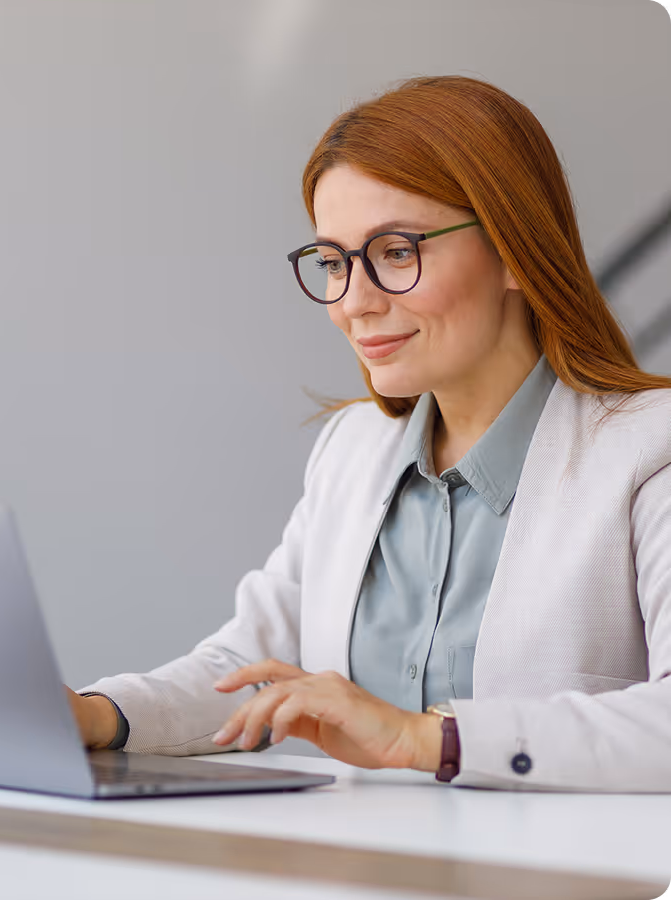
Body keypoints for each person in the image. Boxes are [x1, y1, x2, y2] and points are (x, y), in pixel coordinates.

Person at [68, 75, 671, 791]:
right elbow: (247, 668)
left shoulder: (647, 452)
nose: (353, 303)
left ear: (513, 249)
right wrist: (96, 715)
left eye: (395, 252)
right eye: (332, 262)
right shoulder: (352, 450)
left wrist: (428, 740)